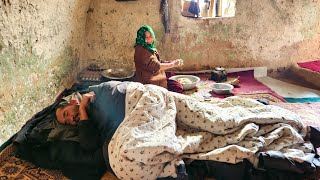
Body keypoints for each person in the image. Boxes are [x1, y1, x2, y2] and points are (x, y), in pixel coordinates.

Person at [134, 25, 184, 89]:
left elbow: (157, 61)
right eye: (146, 37)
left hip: (154, 75)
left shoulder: (149, 47)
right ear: (141, 38)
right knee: (178, 88)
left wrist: (170, 62)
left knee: (173, 77)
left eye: (151, 36)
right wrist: (172, 64)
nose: (149, 39)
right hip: (149, 81)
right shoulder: (142, 50)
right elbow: (156, 67)